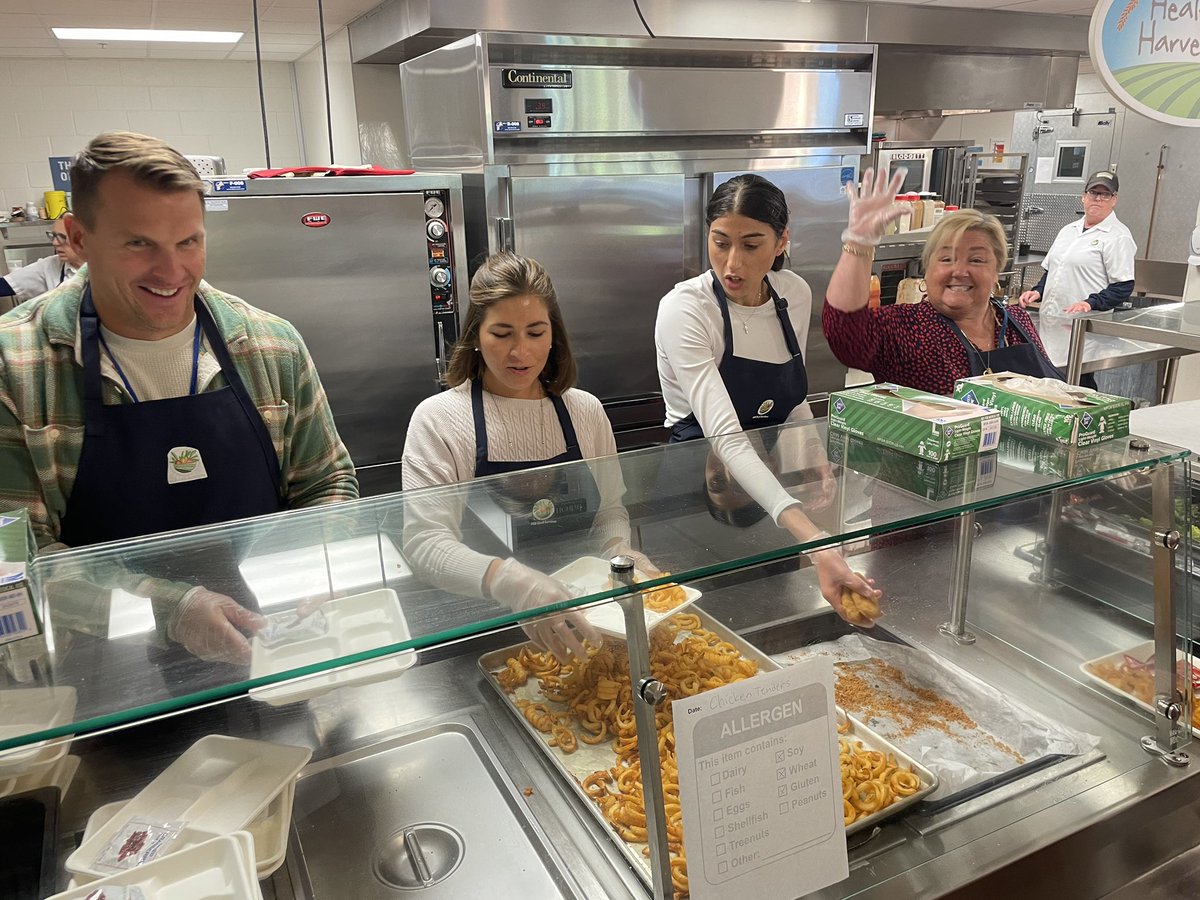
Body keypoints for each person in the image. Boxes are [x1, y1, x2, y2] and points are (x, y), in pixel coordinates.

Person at [0, 131, 358, 663]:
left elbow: (327, 481)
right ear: (77, 237)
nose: (171, 273)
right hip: (103, 672)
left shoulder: (270, 344)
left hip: (271, 646)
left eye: (188, 241)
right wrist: (173, 608)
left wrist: (317, 567)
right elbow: (15, 560)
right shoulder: (16, 367)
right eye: (138, 243)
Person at [403, 252, 653, 660]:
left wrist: (617, 551)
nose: (520, 352)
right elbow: (425, 544)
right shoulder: (439, 420)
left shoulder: (585, 412)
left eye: (535, 333)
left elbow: (610, 509)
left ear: (554, 334)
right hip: (480, 634)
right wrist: (511, 581)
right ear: (476, 335)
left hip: (583, 624)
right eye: (502, 334)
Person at [655, 173, 879, 624]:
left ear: (781, 242)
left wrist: (813, 454)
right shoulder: (686, 309)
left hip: (770, 485)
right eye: (720, 242)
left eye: (751, 244)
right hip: (696, 484)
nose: (732, 263)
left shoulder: (792, 293)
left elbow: (790, 395)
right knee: (703, 616)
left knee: (776, 605)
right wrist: (816, 543)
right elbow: (728, 440)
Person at [824, 169, 1060, 396]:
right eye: (946, 258)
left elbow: (1050, 393)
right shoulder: (904, 328)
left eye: (976, 260)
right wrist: (859, 244)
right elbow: (845, 331)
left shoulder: (1016, 322)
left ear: (996, 271)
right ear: (927, 269)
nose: (959, 270)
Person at [1017, 171, 1135, 316]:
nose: (1097, 199)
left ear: (1114, 200)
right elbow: (1054, 270)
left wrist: (1090, 303)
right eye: (1093, 192)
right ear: (1083, 196)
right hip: (1050, 316)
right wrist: (1038, 291)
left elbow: (1123, 286)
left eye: (1105, 195)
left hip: (1085, 325)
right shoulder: (1068, 230)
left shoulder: (1118, 236)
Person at [0, 216, 84, 308]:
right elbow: (4, 286)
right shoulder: (49, 266)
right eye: (53, 236)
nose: (55, 243)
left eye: (62, 237)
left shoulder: (101, 269)